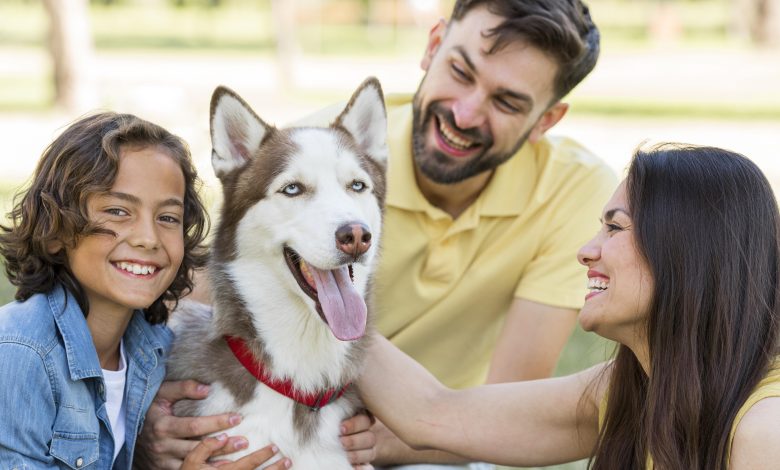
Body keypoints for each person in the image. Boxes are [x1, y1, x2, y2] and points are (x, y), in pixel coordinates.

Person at [137, 0, 617, 467]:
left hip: (440, 439)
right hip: (286, 404)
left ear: (545, 121)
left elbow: (507, 409)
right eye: (460, 71)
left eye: (507, 102)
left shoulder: (573, 190)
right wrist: (148, 416)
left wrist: (402, 437)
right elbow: (197, 294)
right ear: (433, 46)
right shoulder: (315, 151)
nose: (466, 114)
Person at [356, 143, 780, 469]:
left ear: (686, 251)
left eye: (614, 228)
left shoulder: (764, 430)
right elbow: (434, 414)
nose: (586, 251)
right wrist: (322, 295)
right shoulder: (637, 388)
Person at [0, 112, 290, 469]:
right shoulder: (20, 355)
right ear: (57, 230)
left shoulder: (154, 349)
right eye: (118, 211)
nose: (148, 239)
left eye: (168, 218)